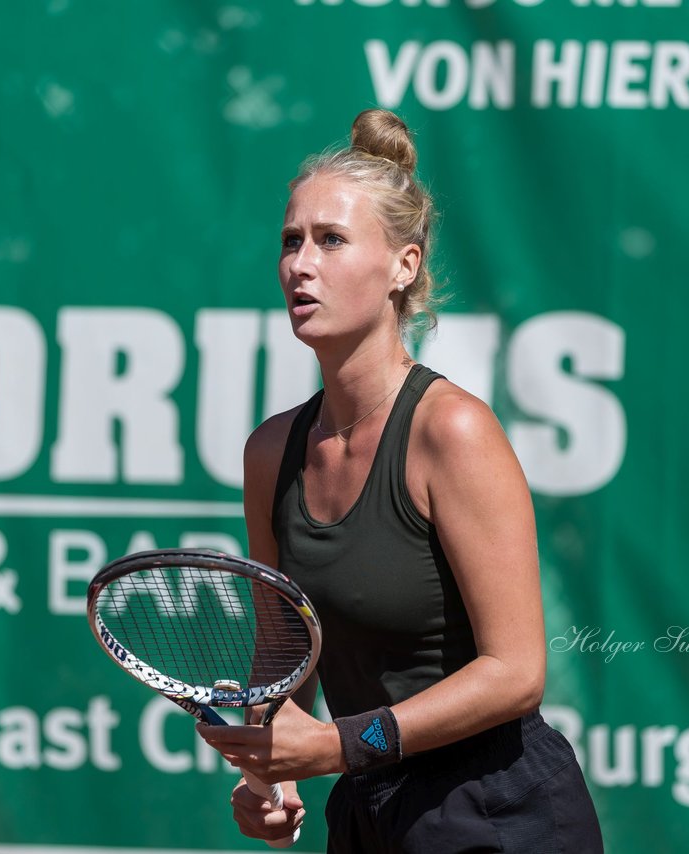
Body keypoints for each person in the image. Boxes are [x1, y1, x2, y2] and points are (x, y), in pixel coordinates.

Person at [197, 109, 603, 852]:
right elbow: (282, 667)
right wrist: (272, 784)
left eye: (331, 240)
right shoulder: (270, 453)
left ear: (403, 265)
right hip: (367, 818)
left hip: (499, 815)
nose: (300, 265)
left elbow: (516, 673)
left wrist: (338, 746)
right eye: (291, 241)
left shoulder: (453, 432)